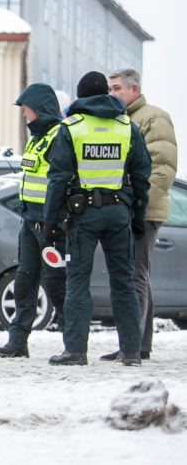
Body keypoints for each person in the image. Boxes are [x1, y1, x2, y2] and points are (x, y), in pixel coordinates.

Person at [44, 71, 150, 366]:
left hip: (83, 214)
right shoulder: (126, 126)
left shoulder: (72, 127)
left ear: (80, 96)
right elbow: (142, 175)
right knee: (124, 283)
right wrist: (138, 216)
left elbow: (58, 179)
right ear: (105, 93)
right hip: (119, 213)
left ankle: (75, 350)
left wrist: (50, 222)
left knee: (78, 282)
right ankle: (131, 351)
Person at [101, 68, 178, 361]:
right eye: (109, 88)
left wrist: (138, 206)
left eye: (117, 88)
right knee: (139, 275)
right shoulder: (123, 120)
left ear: (134, 90)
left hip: (142, 210)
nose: (112, 94)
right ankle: (138, 344)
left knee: (134, 276)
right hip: (129, 208)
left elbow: (163, 168)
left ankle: (131, 346)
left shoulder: (152, 118)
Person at [0, 83, 67, 358]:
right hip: (30, 222)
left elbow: (60, 181)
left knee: (57, 283)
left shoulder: (59, 136)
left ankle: (72, 342)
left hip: (51, 225)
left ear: (40, 109)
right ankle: (18, 341)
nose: (24, 115)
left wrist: (53, 221)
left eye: (27, 109)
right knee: (25, 281)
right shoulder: (36, 138)